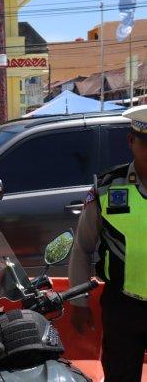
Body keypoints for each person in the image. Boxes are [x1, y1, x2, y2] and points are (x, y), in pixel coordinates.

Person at [69, 105, 147, 382]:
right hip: (123, 306)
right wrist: (79, 302)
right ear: (131, 141)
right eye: (145, 143)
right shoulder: (107, 188)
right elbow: (82, 248)